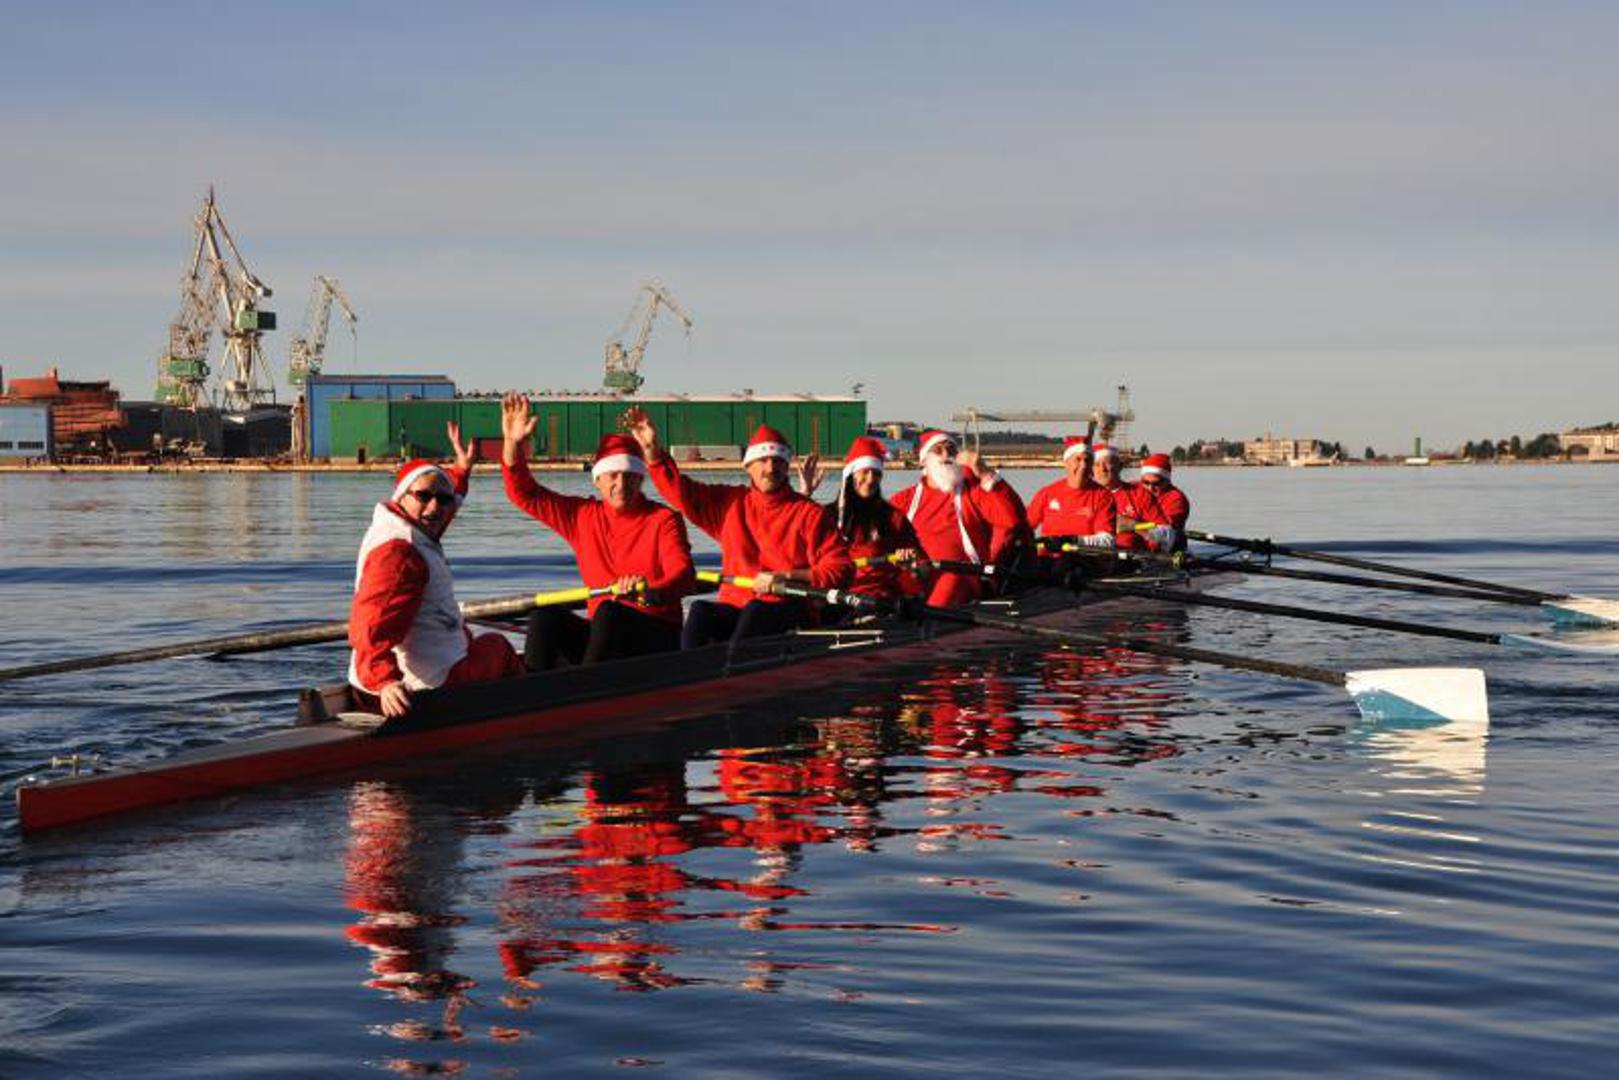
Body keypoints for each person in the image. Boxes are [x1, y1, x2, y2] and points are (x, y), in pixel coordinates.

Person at [499, 392, 696, 669]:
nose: (621, 484)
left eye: (629, 476)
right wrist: (512, 445)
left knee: (608, 611)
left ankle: (585, 685)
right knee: (545, 617)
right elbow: (524, 494)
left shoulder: (664, 519)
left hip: (656, 632)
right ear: (597, 480)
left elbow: (684, 573)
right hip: (607, 632)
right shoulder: (581, 516)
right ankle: (532, 686)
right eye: (613, 476)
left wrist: (654, 591)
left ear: (640, 479)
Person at [625, 409, 851, 648]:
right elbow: (681, 492)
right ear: (748, 467)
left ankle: (728, 666)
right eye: (763, 460)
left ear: (787, 467)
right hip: (737, 607)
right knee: (700, 611)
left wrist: (786, 576)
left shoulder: (810, 514)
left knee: (756, 610)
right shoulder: (729, 503)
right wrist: (653, 453)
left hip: (790, 609)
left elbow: (841, 569)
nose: (770, 468)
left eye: (778, 461)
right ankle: (688, 666)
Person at [348, 424, 523, 718]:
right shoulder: (400, 553)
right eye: (424, 496)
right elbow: (370, 624)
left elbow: (440, 509)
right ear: (402, 496)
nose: (434, 507)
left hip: (397, 676)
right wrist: (385, 681)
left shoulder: (404, 525)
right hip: (427, 688)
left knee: (472, 637)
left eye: (443, 499)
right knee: (499, 646)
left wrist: (461, 471)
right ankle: (527, 712)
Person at [888, 430, 1024, 607]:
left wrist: (984, 472)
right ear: (923, 460)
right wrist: (898, 552)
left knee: (950, 580)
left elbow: (1012, 520)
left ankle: (931, 619)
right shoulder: (903, 500)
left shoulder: (973, 492)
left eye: (951, 450)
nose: (946, 455)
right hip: (918, 574)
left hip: (964, 576)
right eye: (938, 450)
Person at [820, 436, 922, 601]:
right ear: (851, 474)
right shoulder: (827, 515)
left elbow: (921, 568)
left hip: (878, 599)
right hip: (835, 597)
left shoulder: (893, 518)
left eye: (876, 473)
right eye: (865, 472)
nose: (871, 479)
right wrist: (805, 494)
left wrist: (911, 564)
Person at [1026, 436, 1117, 547]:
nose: (1083, 466)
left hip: (1083, 555)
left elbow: (1108, 540)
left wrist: (1073, 540)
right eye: (1078, 459)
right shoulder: (1047, 493)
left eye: (1087, 460)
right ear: (1066, 463)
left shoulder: (1103, 496)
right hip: (1048, 555)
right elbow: (1024, 528)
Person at [1120, 452, 1190, 552]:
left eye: (1156, 484)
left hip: (1166, 547)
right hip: (1135, 545)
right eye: (1145, 482)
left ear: (1167, 481)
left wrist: (1132, 525)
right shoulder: (1133, 488)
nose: (1150, 488)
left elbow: (1163, 531)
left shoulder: (1176, 499)